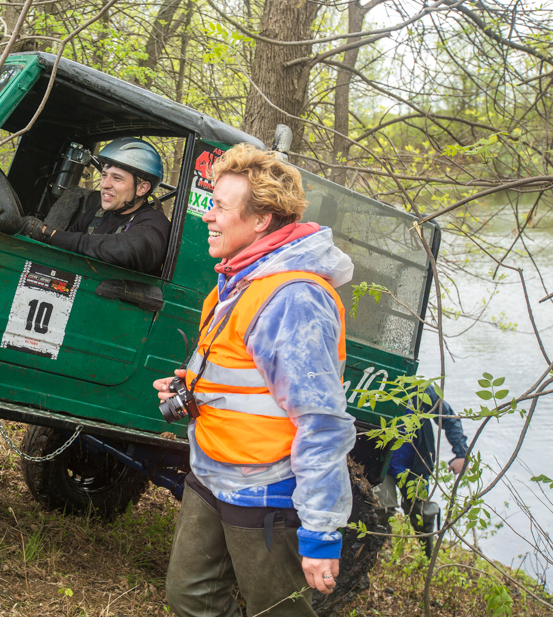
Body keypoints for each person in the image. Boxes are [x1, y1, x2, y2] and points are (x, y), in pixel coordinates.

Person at [154, 143, 356, 616]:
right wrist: (192, 384)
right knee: (191, 598)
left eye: (220, 207)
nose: (208, 216)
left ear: (261, 219)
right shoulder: (240, 280)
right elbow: (245, 371)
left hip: (266, 489)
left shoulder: (294, 297)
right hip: (212, 473)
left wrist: (321, 532)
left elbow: (322, 422)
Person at [19, 137, 170, 275]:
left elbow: (129, 250)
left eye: (117, 178)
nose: (104, 184)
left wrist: (49, 234)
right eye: (104, 175)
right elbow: (65, 250)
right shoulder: (95, 215)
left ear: (142, 188)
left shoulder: (155, 224)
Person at [387, 383, 469, 557]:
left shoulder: (421, 390)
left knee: (421, 513)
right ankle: (379, 552)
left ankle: (427, 558)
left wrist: (461, 453)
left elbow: (449, 418)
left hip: (416, 463)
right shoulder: (375, 381)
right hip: (383, 464)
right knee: (380, 508)